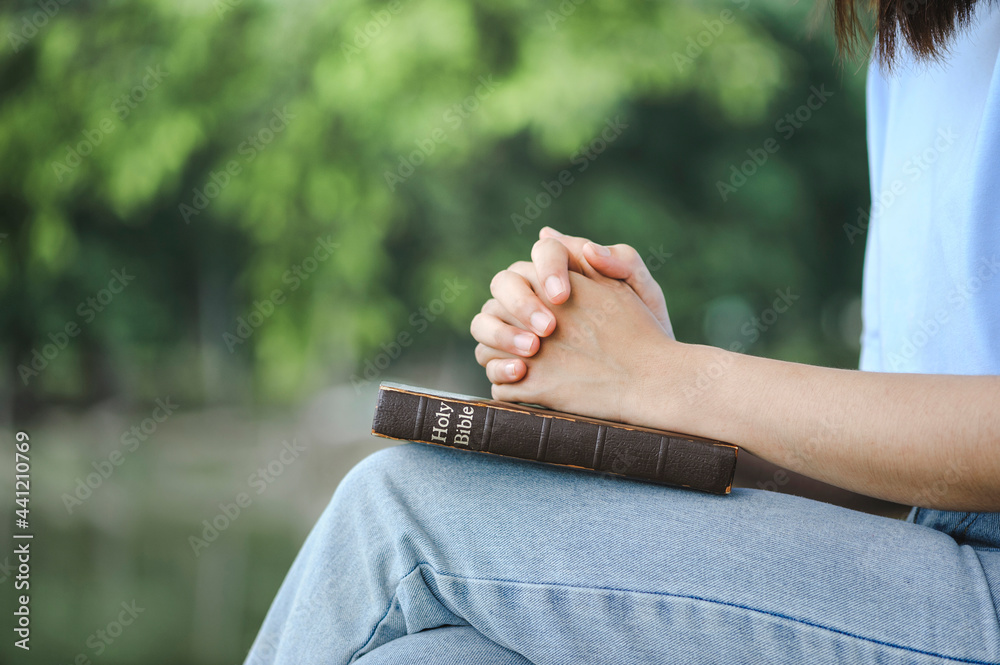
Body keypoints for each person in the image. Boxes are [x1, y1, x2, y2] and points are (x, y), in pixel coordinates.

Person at [243, 0, 1000, 661]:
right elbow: (898, 481)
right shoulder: (913, 46)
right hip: (931, 557)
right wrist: (646, 414)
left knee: (399, 513)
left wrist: (665, 377)